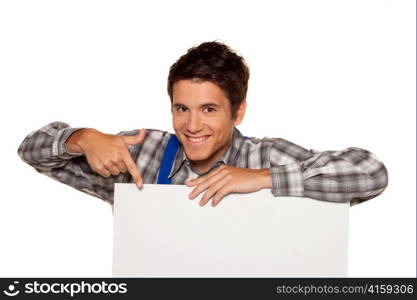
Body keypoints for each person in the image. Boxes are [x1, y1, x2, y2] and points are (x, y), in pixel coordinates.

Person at [17, 41, 388, 207]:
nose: (192, 125)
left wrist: (262, 178)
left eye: (209, 109)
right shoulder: (142, 153)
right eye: (182, 109)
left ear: (238, 111)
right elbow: (32, 150)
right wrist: (83, 139)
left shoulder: (268, 155)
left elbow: (370, 173)